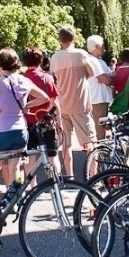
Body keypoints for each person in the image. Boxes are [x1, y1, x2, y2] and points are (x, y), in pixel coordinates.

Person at [0, 48, 49, 193]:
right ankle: (13, 200)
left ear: (0, 65)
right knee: (16, 168)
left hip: (2, 131)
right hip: (20, 130)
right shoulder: (25, 80)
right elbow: (44, 97)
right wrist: (26, 106)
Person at [50, 26, 96, 178]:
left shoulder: (55, 57)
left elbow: (53, 78)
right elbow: (91, 73)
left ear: (60, 40)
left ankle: (69, 175)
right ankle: (93, 174)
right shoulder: (81, 54)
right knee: (89, 141)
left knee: (65, 144)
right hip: (80, 103)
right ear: (74, 38)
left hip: (62, 105)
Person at [21, 47, 59, 178]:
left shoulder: (21, 79)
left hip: (27, 121)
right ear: (41, 60)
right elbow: (53, 99)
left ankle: (32, 186)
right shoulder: (47, 78)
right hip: (46, 120)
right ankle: (55, 183)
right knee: (52, 155)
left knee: (30, 156)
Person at [86, 35, 114, 140]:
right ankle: (98, 153)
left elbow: (112, 75)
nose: (104, 48)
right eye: (102, 46)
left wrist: (110, 77)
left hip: (101, 99)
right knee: (99, 130)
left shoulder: (100, 61)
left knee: (102, 128)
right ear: (97, 46)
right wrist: (109, 77)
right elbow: (105, 79)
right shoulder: (93, 61)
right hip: (97, 100)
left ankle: (99, 152)